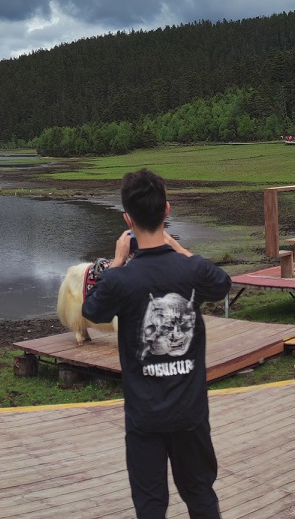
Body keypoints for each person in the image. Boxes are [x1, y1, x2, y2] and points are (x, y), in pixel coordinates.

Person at [81, 168, 232, 519]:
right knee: (200, 496)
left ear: (127, 219)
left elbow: (92, 310)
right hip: (191, 414)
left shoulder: (121, 280)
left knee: (150, 506)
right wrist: (180, 249)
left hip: (144, 419)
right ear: (167, 210)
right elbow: (221, 284)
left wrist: (116, 263)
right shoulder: (190, 271)